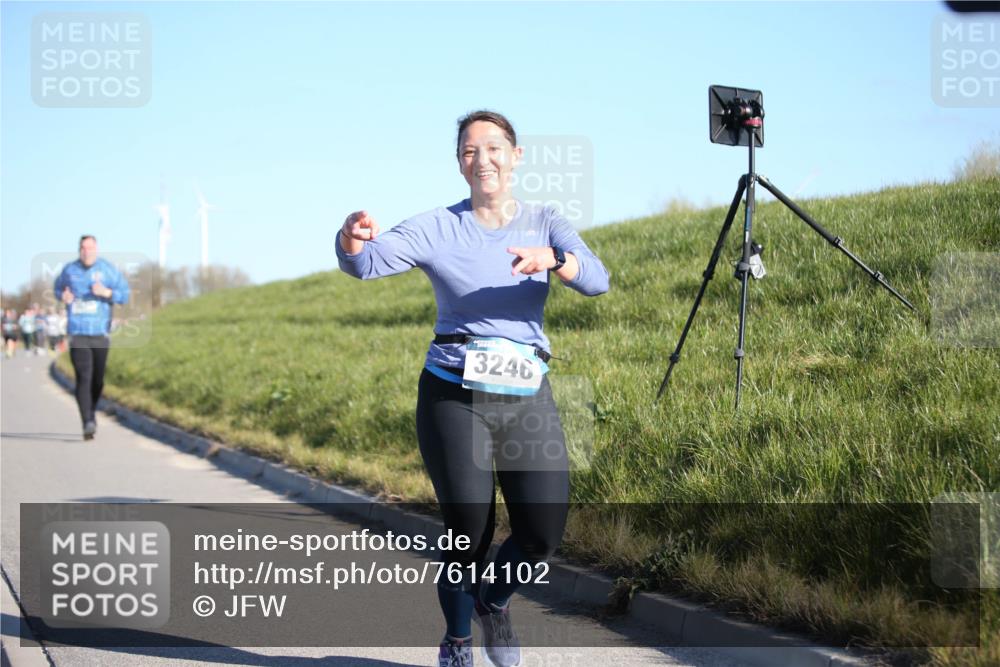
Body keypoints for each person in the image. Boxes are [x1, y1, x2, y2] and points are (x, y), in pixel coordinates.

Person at [336, 110, 609, 667]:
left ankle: (494, 599)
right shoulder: (438, 226)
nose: (481, 159)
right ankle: (457, 641)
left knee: (542, 533)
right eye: (469, 151)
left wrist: (554, 260)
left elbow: (597, 279)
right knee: (469, 532)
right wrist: (350, 239)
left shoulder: (544, 219)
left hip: (526, 393)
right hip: (454, 396)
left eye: (492, 148)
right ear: (459, 162)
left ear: (515, 156)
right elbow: (365, 264)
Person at [54, 235, 130, 440]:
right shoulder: (70, 270)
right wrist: (63, 296)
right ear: (79, 250)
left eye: (90, 248)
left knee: (97, 380)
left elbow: (125, 295)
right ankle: (87, 420)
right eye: (83, 248)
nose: (86, 252)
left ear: (96, 249)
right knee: (84, 376)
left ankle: (91, 412)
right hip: (78, 331)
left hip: (100, 333)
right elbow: (58, 288)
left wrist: (106, 292)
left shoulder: (108, 270)